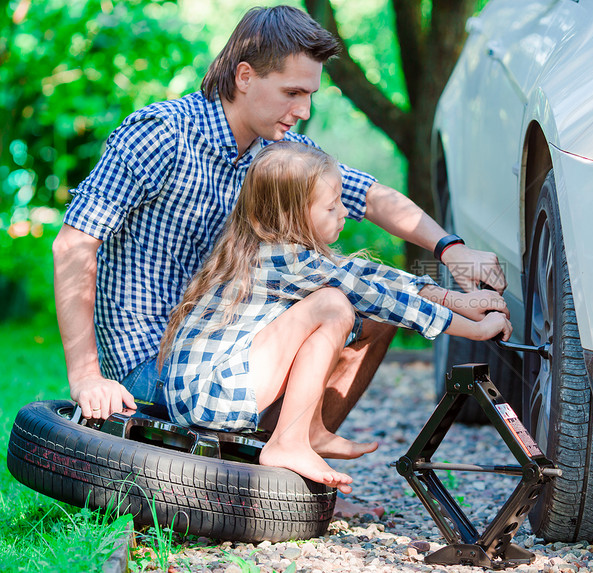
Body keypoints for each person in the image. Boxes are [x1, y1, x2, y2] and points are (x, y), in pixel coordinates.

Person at [52, 5, 508, 427]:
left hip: (229, 347)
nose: (303, 110)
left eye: (310, 94)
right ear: (244, 76)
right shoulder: (161, 135)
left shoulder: (283, 154)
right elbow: (74, 244)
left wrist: (452, 251)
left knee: (378, 312)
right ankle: (283, 460)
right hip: (150, 367)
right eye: (292, 92)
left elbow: (369, 196)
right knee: (338, 299)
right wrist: (88, 377)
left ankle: (296, 470)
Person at [156, 141, 511, 493]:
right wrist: (476, 331)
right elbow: (380, 300)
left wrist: (458, 301)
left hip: (207, 391)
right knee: (332, 305)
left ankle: (309, 430)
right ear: (291, 216)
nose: (344, 211)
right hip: (210, 396)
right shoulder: (284, 260)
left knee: (339, 296)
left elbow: (372, 276)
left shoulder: (280, 251)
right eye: (332, 206)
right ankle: (288, 441)